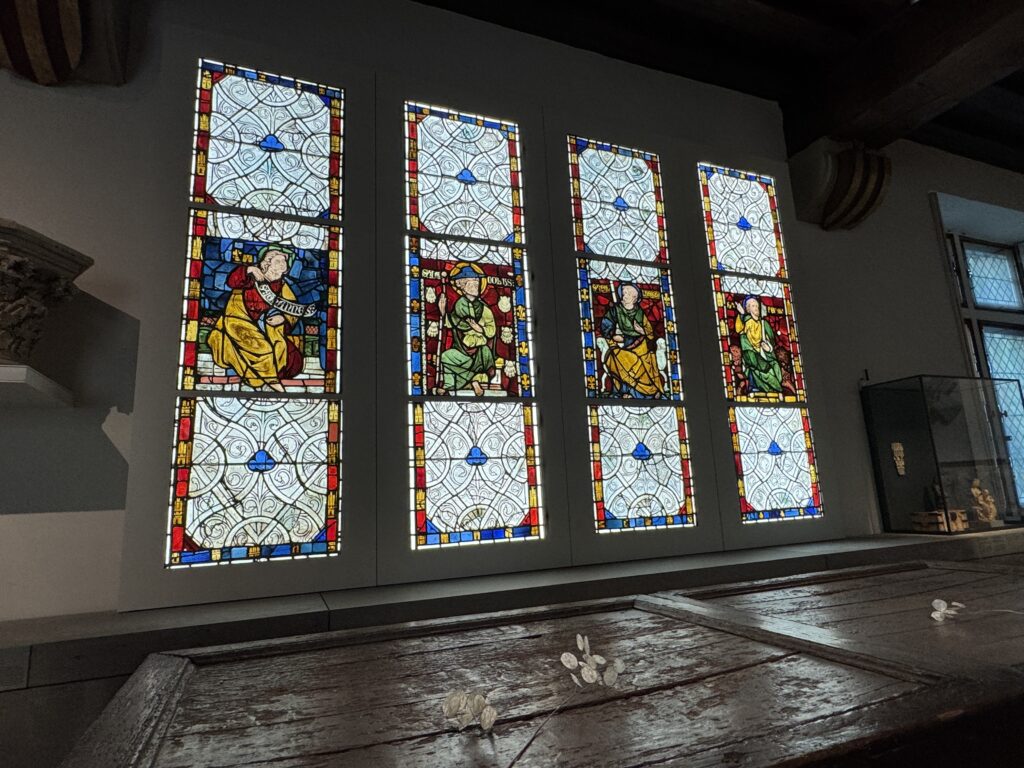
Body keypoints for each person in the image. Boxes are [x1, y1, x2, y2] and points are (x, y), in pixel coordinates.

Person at [207, 245, 315, 392]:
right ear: (267, 263)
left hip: (267, 327)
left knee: (292, 359)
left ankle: (260, 376)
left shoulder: (282, 286)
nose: (283, 264)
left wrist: (283, 318)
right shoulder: (253, 277)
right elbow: (233, 281)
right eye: (278, 261)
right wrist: (249, 269)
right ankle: (272, 381)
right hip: (239, 321)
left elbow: (292, 310)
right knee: (263, 349)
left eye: (284, 261)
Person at [436, 263, 497, 396]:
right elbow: (451, 323)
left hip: (480, 352)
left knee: (453, 360)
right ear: (461, 286)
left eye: (477, 283)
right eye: (471, 284)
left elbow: (492, 331)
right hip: (462, 350)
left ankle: (457, 384)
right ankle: (466, 382)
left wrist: (479, 328)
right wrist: (443, 312)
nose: (476, 287)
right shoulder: (458, 307)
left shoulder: (484, 309)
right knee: (446, 356)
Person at [600, 282, 664, 398]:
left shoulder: (639, 312)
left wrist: (642, 331)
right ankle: (625, 392)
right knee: (618, 360)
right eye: (623, 293)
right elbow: (606, 324)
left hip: (642, 345)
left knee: (641, 367)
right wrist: (612, 335)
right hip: (625, 344)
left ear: (634, 298)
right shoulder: (616, 310)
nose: (624, 296)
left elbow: (650, 333)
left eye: (628, 294)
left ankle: (647, 393)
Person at [734, 295, 783, 394]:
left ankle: (775, 389)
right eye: (753, 306)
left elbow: (772, 341)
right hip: (752, 356)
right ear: (748, 309)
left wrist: (768, 348)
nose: (756, 308)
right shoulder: (745, 322)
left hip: (765, 354)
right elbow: (740, 330)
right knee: (761, 369)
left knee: (775, 367)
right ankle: (773, 389)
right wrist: (742, 315)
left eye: (757, 305)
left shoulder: (764, 324)